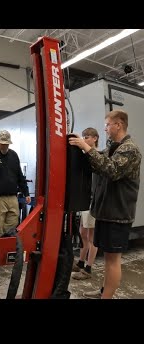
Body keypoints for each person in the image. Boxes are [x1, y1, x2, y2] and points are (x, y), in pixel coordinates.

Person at [69, 110, 141, 299]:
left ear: (118, 124)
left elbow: (111, 169)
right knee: (108, 258)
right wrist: (81, 149)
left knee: (112, 260)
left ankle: (106, 297)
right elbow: (98, 163)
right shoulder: (113, 147)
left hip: (118, 214)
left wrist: (87, 147)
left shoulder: (129, 149)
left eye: (108, 124)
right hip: (106, 212)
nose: (105, 128)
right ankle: (104, 291)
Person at [72, 127, 99, 280]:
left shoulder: (98, 156)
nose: (84, 139)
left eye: (87, 137)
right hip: (84, 200)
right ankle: (81, 263)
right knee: (83, 233)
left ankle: (88, 269)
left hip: (93, 201)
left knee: (91, 236)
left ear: (95, 138)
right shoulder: (85, 157)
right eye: (83, 136)